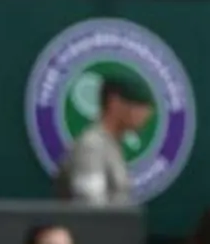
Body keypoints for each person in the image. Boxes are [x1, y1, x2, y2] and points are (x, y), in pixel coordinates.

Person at [55, 71, 152, 206]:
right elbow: (92, 210)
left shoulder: (112, 145)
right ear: (114, 103)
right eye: (139, 106)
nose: (146, 114)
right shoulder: (91, 146)